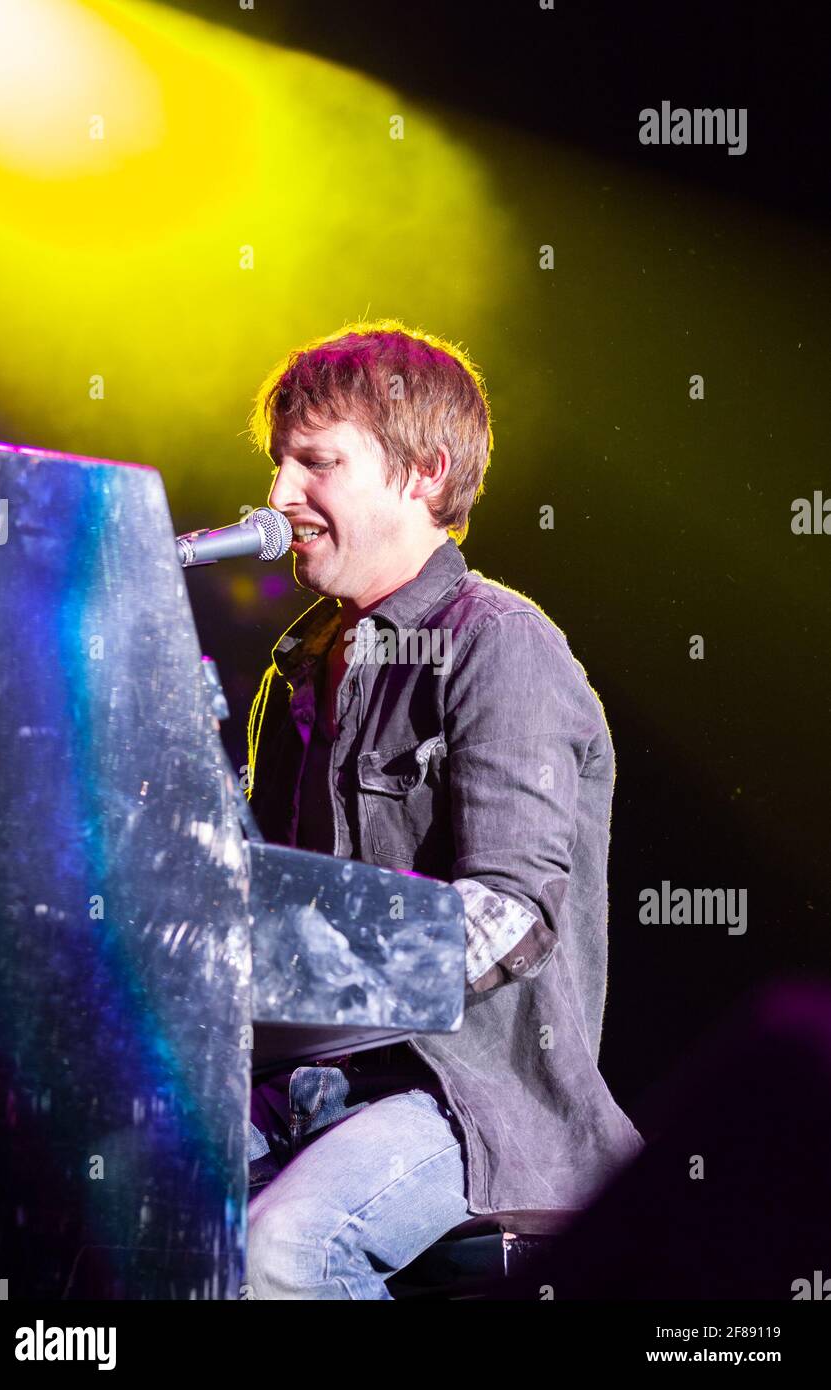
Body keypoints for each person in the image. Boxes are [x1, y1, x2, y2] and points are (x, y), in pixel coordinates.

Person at [242, 319, 643, 1299]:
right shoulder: (293, 672)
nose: (278, 496)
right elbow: (254, 908)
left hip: (467, 1101)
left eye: (315, 465)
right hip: (304, 1090)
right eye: (276, 465)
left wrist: (317, 992)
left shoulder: (501, 644)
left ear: (420, 473)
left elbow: (512, 912)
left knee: (287, 1248)